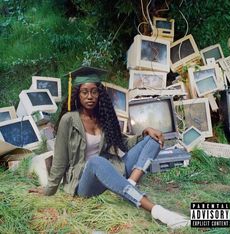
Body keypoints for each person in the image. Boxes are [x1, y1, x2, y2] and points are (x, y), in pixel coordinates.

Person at [29, 67, 190, 229]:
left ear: (100, 94)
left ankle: (130, 184)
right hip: (84, 182)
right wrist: (49, 189)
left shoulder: (104, 116)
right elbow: (60, 160)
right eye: (84, 92)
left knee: (153, 139)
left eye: (94, 92)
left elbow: (122, 144)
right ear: (77, 94)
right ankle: (157, 211)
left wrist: (145, 132)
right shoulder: (68, 120)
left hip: (111, 170)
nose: (90, 96)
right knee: (96, 162)